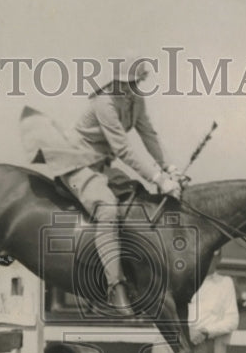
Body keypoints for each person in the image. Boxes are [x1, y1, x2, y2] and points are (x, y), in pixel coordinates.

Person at [20, 57, 184, 315]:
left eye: (139, 82)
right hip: (75, 162)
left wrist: (170, 168)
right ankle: (114, 286)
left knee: (135, 198)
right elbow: (123, 149)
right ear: (119, 81)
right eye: (132, 82)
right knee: (107, 208)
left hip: (100, 163)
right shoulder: (104, 101)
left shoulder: (136, 100)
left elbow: (149, 134)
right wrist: (159, 179)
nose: (137, 87)